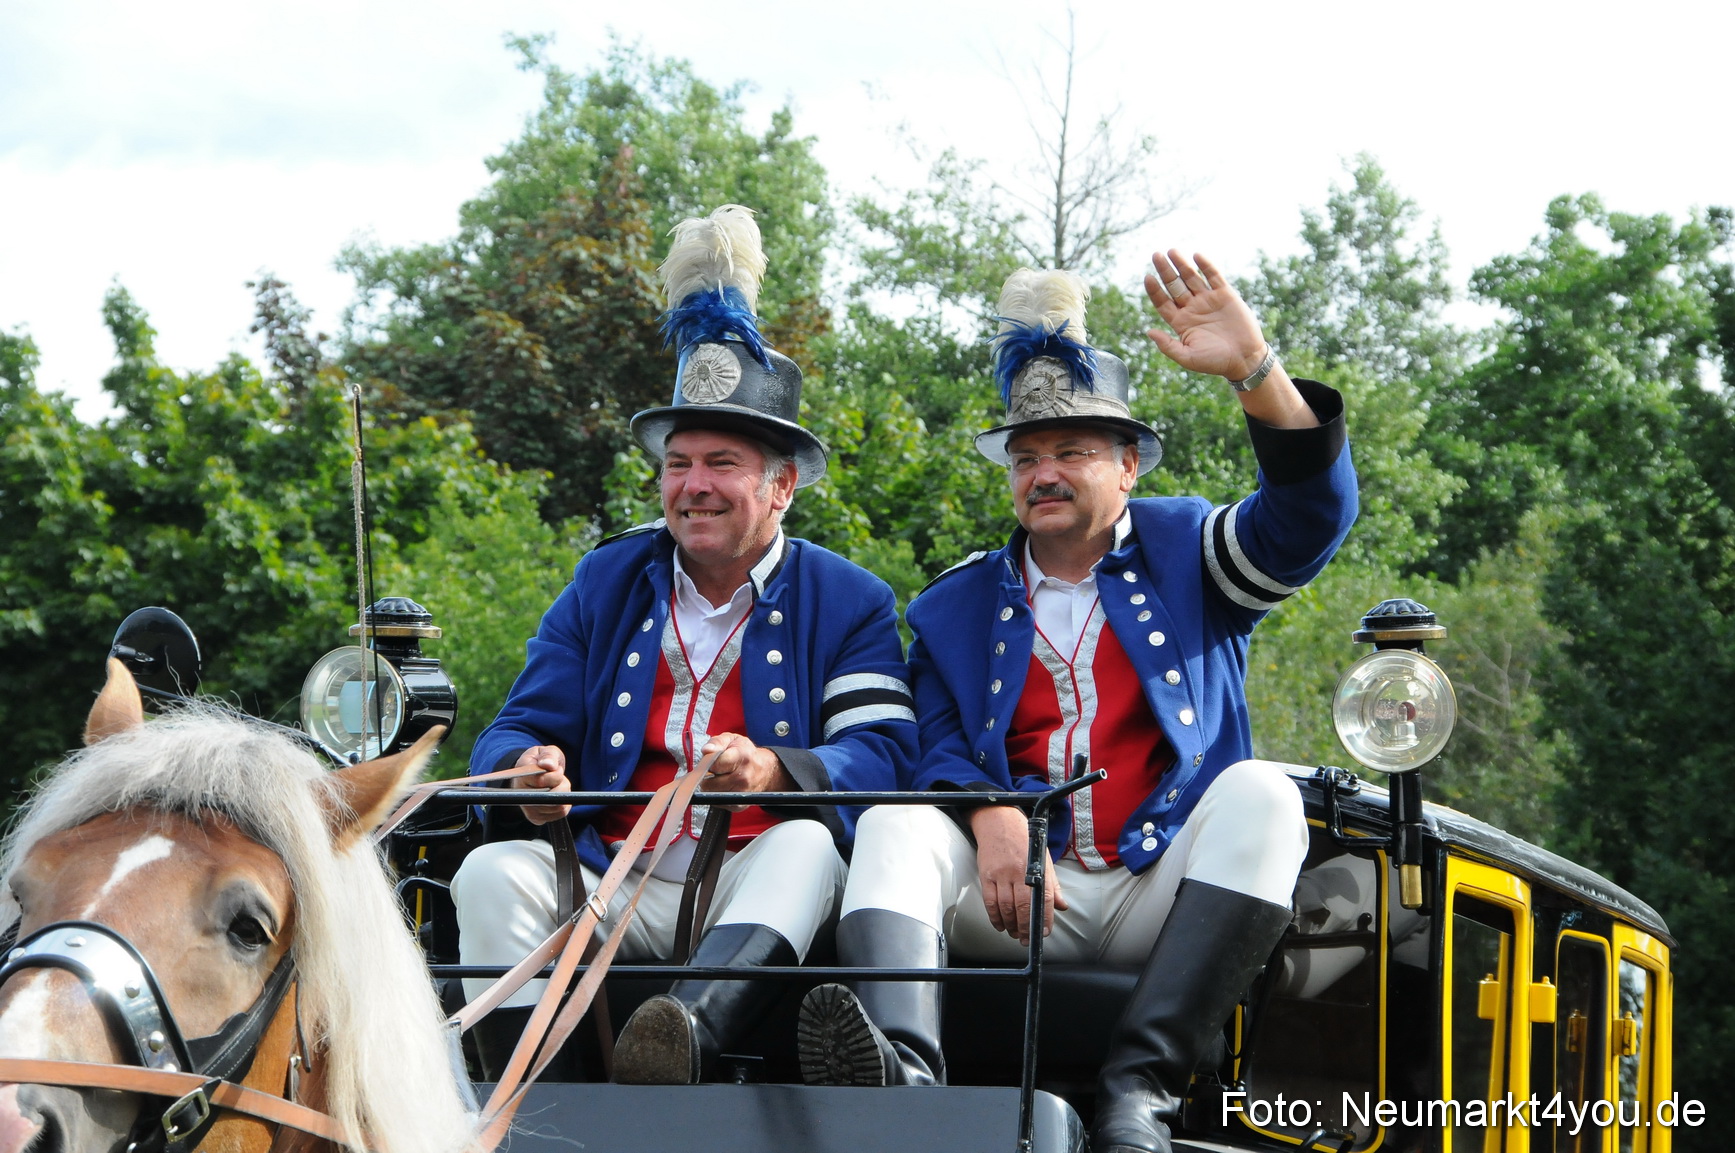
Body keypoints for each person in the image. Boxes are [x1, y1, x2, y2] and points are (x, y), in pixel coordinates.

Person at [796, 252, 1358, 1153]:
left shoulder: (1189, 550)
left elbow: (1308, 521)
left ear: (1128, 464)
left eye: (1070, 451)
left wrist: (1256, 370)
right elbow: (933, 746)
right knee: (900, 823)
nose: (1042, 473)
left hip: (1157, 889)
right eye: (1025, 457)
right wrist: (992, 814)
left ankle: (1139, 1097)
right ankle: (902, 1081)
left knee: (1264, 794)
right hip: (1019, 901)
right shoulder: (953, 603)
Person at [451, 205, 916, 1086]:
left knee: (807, 844)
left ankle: (681, 1040)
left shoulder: (851, 598)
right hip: (604, 872)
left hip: (753, 884)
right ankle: (530, 1113)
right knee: (486, 873)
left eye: (721, 463)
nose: (692, 485)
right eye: (678, 462)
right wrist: (531, 776)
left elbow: (887, 756)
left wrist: (776, 772)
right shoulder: (604, 580)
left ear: (781, 486)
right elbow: (511, 730)